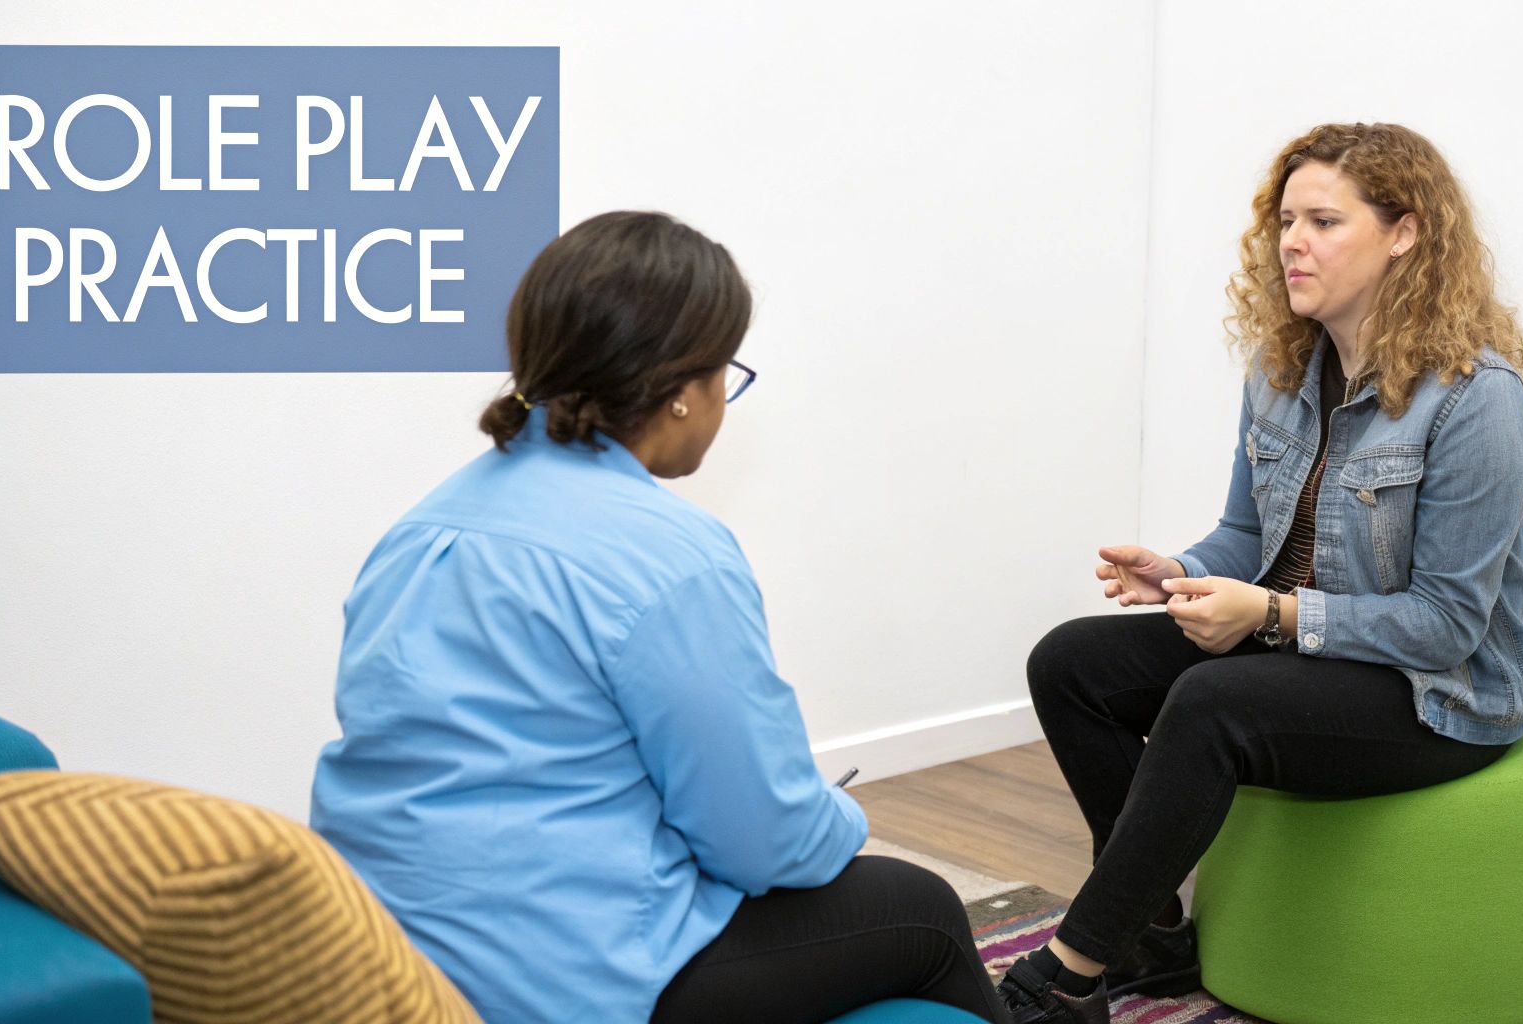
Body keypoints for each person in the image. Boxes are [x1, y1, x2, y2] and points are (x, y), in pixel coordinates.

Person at [310, 212, 1009, 1023]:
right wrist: (838, 815)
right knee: (918, 905)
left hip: (377, 947)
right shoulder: (670, 555)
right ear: (680, 391)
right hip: (560, 980)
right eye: (724, 373)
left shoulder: (420, 528)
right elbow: (766, 843)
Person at [994, 123, 1523, 1023]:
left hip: (1436, 694)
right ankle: (1152, 937)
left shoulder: (1478, 399)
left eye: (1324, 221)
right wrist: (1178, 571)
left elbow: (1449, 625)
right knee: (1070, 663)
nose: (1292, 241)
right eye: (1286, 220)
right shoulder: (1282, 367)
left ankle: (1066, 978)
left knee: (1215, 704)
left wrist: (1274, 617)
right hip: (1296, 649)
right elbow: (1247, 537)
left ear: (1404, 232)